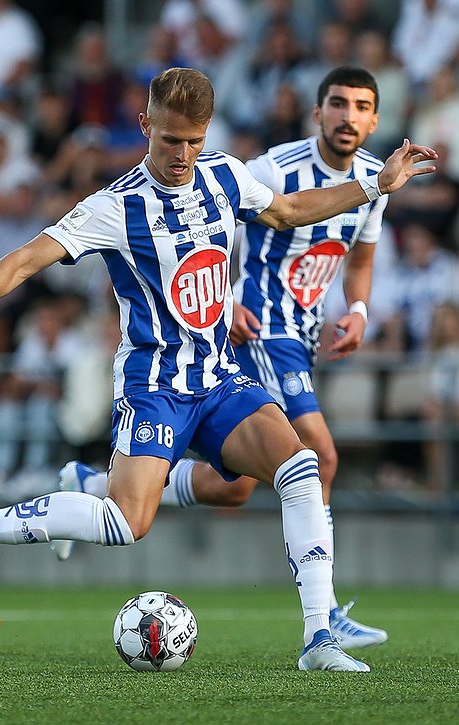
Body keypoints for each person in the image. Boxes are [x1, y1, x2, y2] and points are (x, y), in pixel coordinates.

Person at [0, 67, 436, 671]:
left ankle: (318, 639)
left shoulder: (225, 175)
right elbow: (27, 258)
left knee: (301, 466)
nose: (183, 154)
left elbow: (290, 210)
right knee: (126, 522)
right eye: (171, 140)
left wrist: (375, 185)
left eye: (194, 141)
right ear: (145, 125)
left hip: (222, 376)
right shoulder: (116, 207)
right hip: (155, 386)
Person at [51, 65, 392, 649]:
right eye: (338, 103)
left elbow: (359, 257)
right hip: (256, 329)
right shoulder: (268, 167)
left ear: (375, 119)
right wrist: (227, 298)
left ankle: (95, 481)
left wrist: (359, 308)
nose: (348, 116)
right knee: (317, 457)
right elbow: (212, 228)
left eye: (361, 107)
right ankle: (323, 617)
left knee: (234, 487)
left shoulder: (370, 178)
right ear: (318, 111)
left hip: (303, 334)